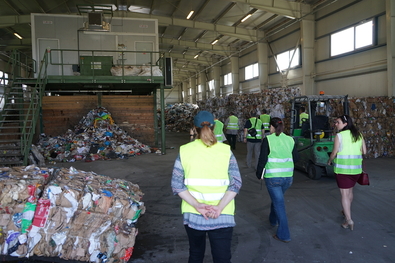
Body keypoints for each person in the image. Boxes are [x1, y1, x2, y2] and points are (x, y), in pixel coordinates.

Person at [171, 110, 242, 263]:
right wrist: (219, 207)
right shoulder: (225, 151)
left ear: (193, 128)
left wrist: (197, 205)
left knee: (196, 255)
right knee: (222, 258)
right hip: (222, 214)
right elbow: (236, 183)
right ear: (214, 126)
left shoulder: (184, 151)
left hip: (194, 213)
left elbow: (176, 185)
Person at [256, 117, 299, 243]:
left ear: (272, 127)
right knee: (277, 199)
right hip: (288, 178)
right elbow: (296, 158)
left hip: (273, 178)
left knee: (279, 204)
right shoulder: (290, 139)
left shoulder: (268, 139)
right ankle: (272, 220)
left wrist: (259, 174)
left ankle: (284, 234)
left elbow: (262, 159)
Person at [327, 115, 367, 231]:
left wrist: (329, 161)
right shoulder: (358, 134)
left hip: (343, 170)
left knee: (344, 194)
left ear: (345, 124)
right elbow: (364, 151)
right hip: (356, 170)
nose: (336, 124)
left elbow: (334, 153)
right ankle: (346, 211)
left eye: (338, 122)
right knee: (349, 192)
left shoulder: (339, 136)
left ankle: (348, 220)